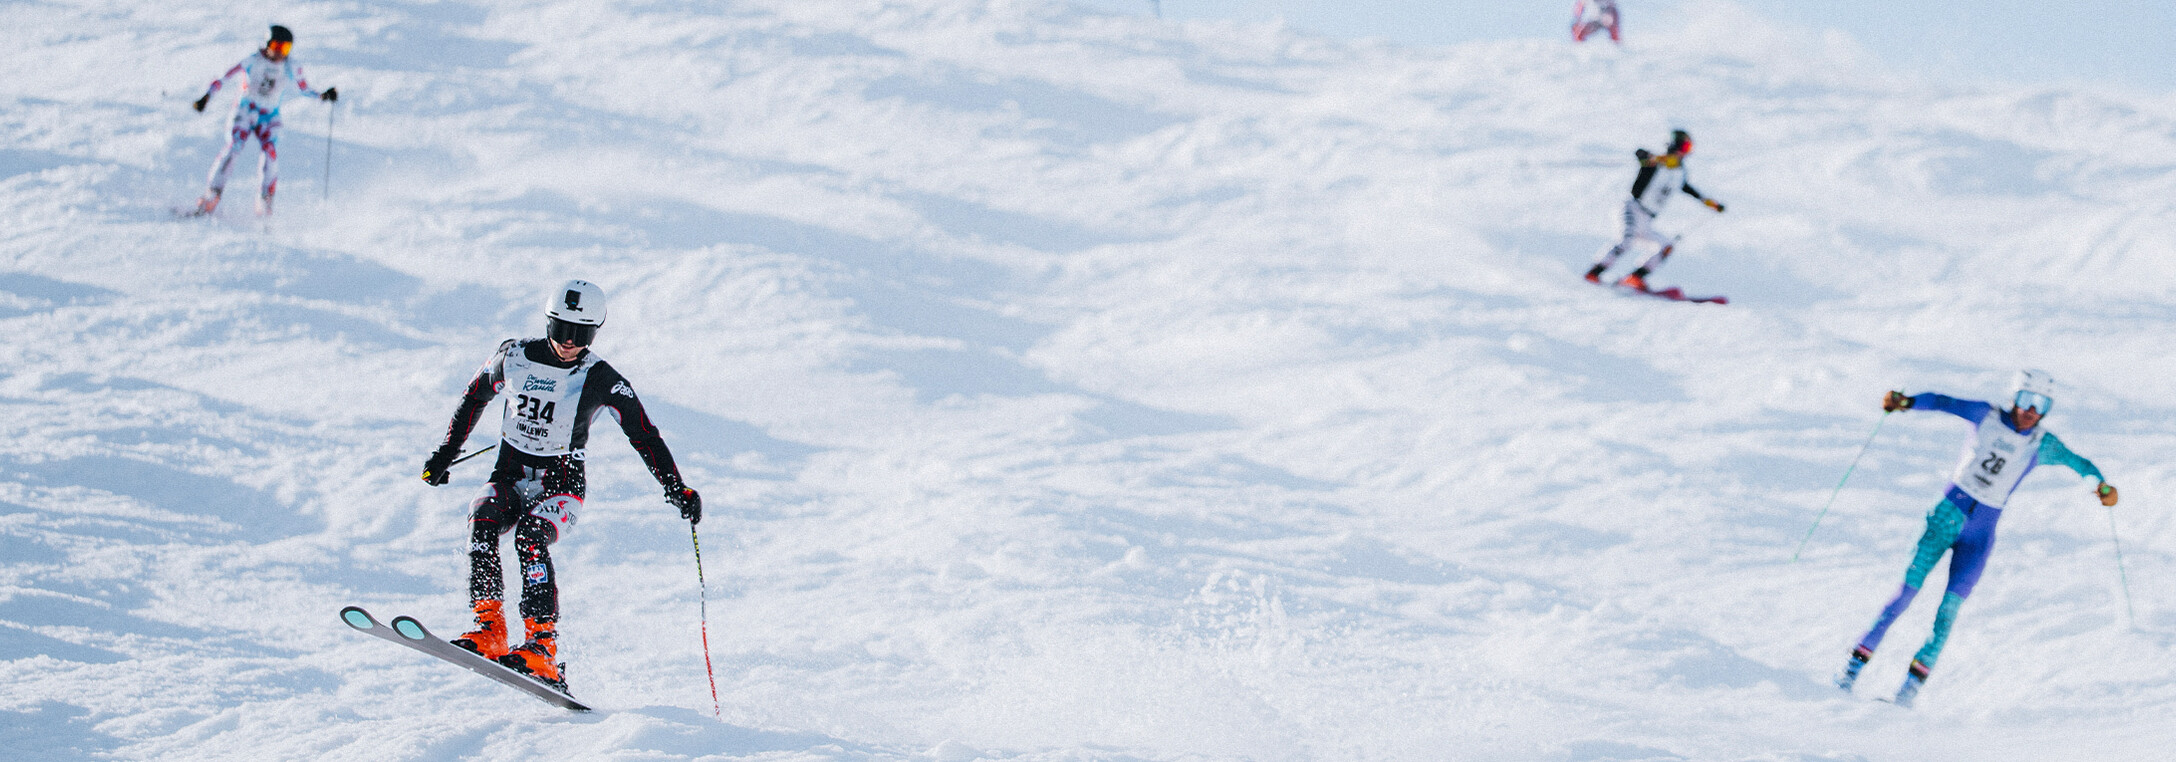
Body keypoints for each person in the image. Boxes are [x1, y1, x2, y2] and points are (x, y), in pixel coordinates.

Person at [421, 279, 703, 692]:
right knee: (481, 518)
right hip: (511, 476)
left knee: (529, 538)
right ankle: (490, 628)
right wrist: (445, 455)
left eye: (582, 334)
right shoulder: (513, 357)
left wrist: (676, 488)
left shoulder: (601, 378)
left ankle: (542, 648)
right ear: (548, 322)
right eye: (561, 330)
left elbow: (644, 434)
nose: (570, 342)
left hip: (562, 486)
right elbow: (473, 398)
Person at [1833, 370, 2118, 707]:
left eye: (2041, 404)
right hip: (1943, 518)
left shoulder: (2041, 444)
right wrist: (1906, 403)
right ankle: (1849, 674)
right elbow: (1944, 402)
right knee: (1904, 595)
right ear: (2014, 398)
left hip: (1980, 536)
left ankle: (1907, 695)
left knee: (1947, 614)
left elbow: (2080, 463)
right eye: (2027, 400)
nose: (2031, 411)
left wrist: (2098, 486)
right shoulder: (1986, 416)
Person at [186, 25, 337, 217]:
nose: (279, 53)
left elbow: (303, 88)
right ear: (266, 44)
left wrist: (323, 96)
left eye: (285, 48)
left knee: (270, 152)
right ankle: (211, 195)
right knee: (234, 146)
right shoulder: (253, 60)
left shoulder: (291, 66)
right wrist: (205, 98)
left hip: (269, 115)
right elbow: (224, 77)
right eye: (276, 46)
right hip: (246, 110)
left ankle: (265, 203)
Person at [1583, 130, 1725, 290]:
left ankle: (1635, 278)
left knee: (1665, 246)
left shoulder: (1680, 173)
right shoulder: (1655, 163)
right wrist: (1650, 158)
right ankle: (1594, 273)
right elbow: (1640, 153)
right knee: (1626, 240)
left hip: (1647, 218)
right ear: (1674, 146)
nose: (1686, 152)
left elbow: (1687, 189)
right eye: (1685, 146)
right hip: (1632, 208)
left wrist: (1708, 202)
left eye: (1689, 148)